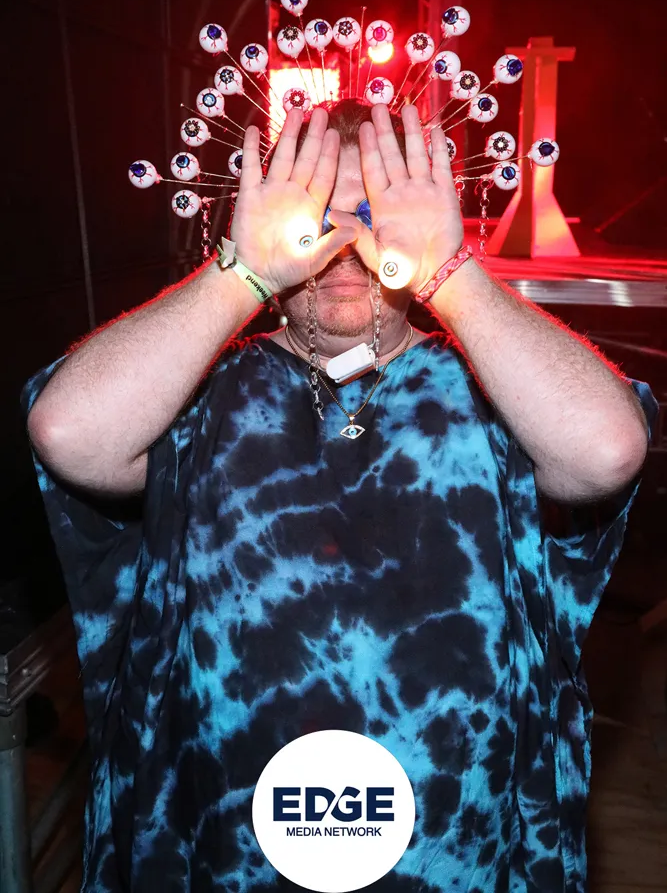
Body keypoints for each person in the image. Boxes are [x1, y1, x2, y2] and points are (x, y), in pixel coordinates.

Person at [24, 101, 655, 893]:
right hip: (221, 849)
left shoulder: (496, 391)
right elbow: (68, 433)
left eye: (375, 215)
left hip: (453, 854)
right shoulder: (195, 393)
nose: (344, 243)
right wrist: (242, 274)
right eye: (312, 216)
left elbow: (605, 451)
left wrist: (449, 273)